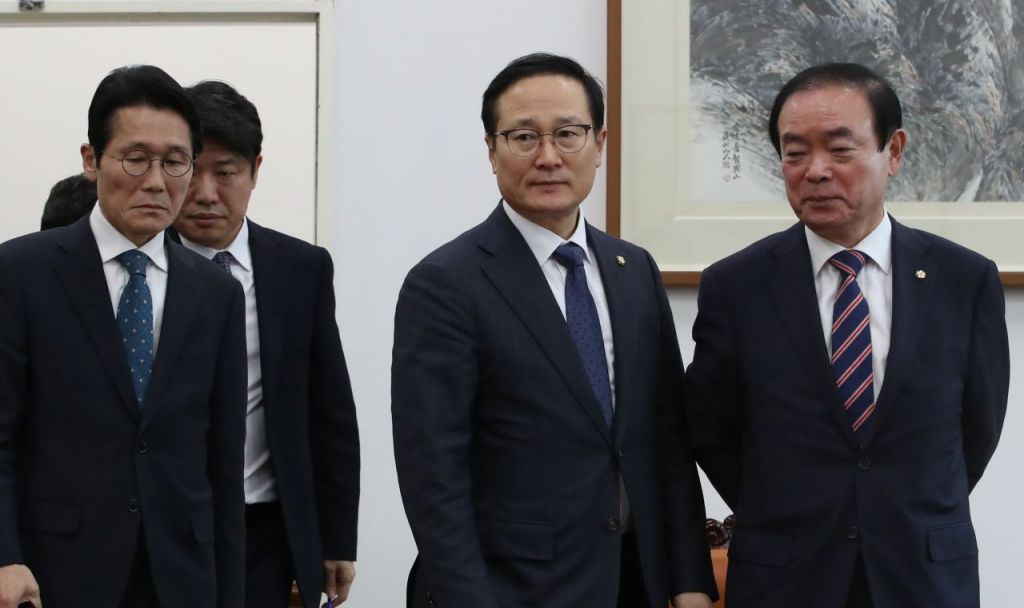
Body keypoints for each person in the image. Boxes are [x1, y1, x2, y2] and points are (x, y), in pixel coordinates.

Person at [391, 52, 716, 608]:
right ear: (491, 151)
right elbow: (433, 474)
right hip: (510, 589)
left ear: (599, 143)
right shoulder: (446, 283)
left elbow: (666, 440)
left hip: (633, 580)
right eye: (523, 137)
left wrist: (689, 580)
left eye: (568, 134)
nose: (548, 157)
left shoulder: (634, 269)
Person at [685, 62, 1009, 607]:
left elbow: (977, 429)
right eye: (794, 153)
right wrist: (791, 510)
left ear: (894, 151)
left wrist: (896, 507)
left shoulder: (964, 280)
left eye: (840, 150)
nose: (815, 171)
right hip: (787, 579)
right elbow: (712, 432)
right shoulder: (735, 287)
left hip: (923, 578)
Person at [0, 65, 247, 608]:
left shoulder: (218, 294)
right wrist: (4, 557)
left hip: (180, 577)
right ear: (92, 160)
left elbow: (223, 469)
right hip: (54, 573)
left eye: (174, 161)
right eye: (136, 158)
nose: (156, 181)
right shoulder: (21, 273)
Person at [171, 80, 361, 608]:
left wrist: (337, 538)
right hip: (166, 524)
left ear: (255, 169)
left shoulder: (300, 268)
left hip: (266, 528)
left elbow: (330, 413)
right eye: (191, 169)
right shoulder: (142, 271)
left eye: (226, 172)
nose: (206, 192)